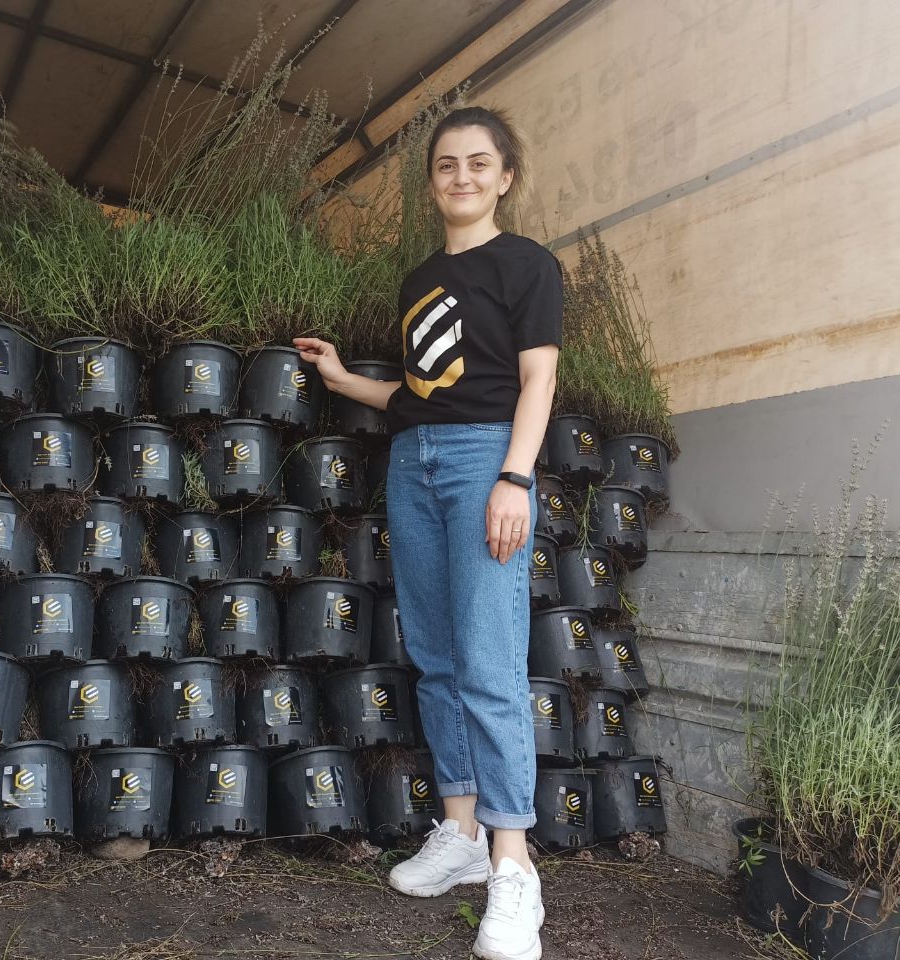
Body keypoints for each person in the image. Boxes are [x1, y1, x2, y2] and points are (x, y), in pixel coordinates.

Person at [294, 106, 561, 960]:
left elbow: (537, 378)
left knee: (489, 660)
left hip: (488, 456)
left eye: (479, 163)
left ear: (506, 176)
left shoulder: (528, 265)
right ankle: (461, 836)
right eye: (447, 165)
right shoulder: (417, 281)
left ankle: (516, 868)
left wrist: (515, 477)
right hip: (414, 462)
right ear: (433, 181)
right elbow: (416, 394)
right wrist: (341, 378)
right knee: (437, 656)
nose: (462, 177)